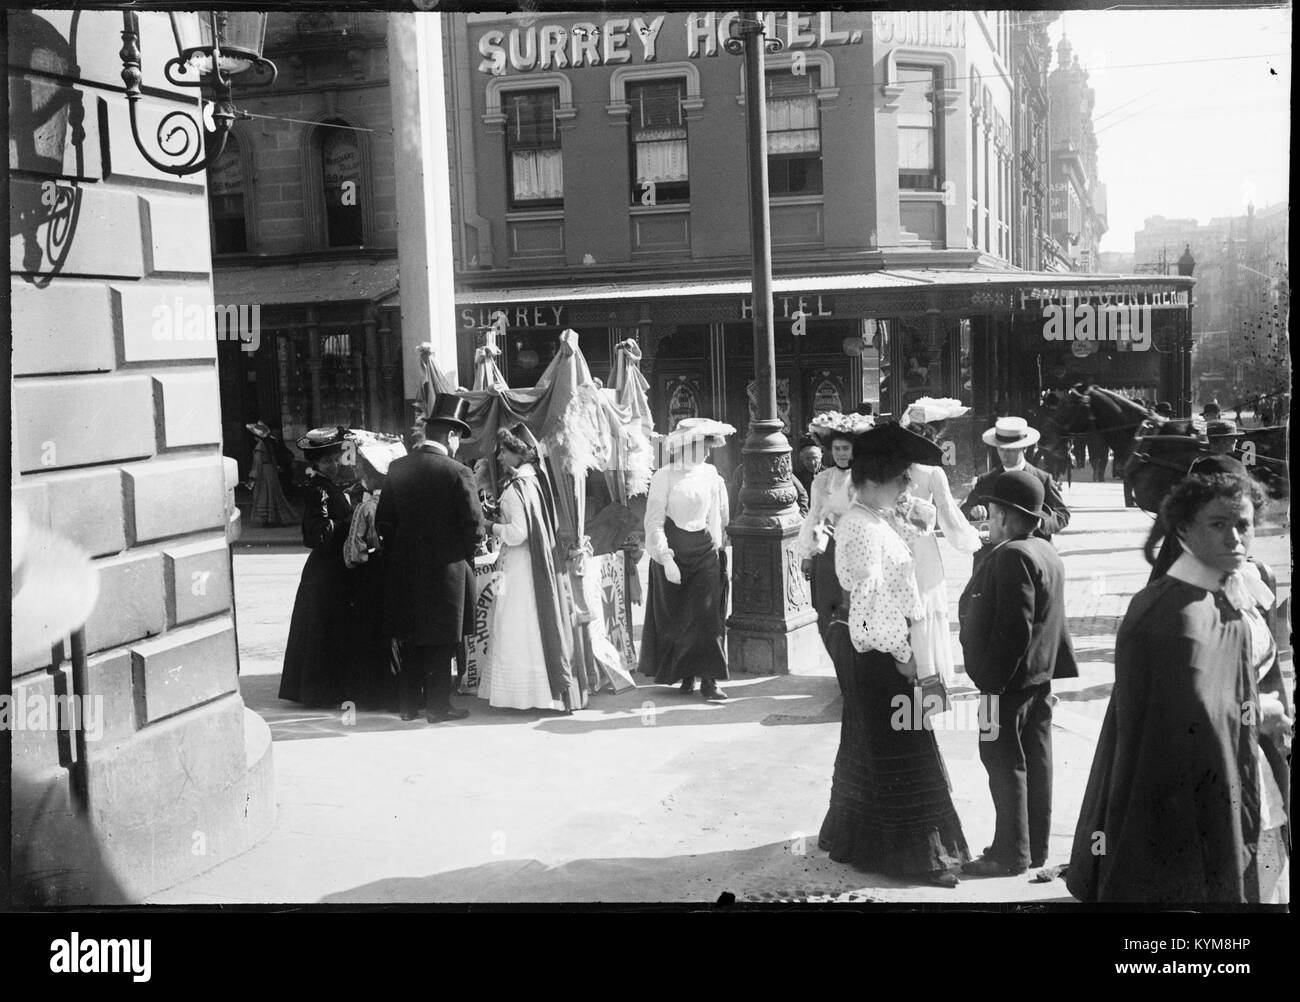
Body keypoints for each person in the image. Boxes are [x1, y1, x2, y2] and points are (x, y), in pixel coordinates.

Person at [1067, 471, 1292, 903]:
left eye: (1243, 525)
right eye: (1218, 524)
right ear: (1184, 529)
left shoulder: (1223, 600)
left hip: (1244, 783)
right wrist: (1258, 712)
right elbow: (1182, 723)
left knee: (1266, 877)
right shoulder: (1173, 612)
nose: (1235, 539)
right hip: (1186, 809)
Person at [818, 423, 971, 888]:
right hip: (882, 658)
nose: (908, 485)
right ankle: (913, 856)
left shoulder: (874, 519)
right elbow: (868, 604)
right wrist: (904, 655)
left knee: (876, 748)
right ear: (878, 476)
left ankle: (866, 840)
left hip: (885, 654)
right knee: (902, 751)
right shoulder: (861, 526)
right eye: (902, 477)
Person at [958, 472, 1078, 876]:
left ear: (1007, 517)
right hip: (1038, 681)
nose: (988, 523)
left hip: (1004, 686)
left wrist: (990, 684)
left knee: (1001, 762)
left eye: (991, 515)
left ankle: (1008, 854)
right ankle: (1033, 848)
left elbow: (1014, 627)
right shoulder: (1044, 551)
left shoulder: (1011, 556)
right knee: (1036, 762)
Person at [377, 395, 485, 723]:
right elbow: (475, 526)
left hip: (405, 570)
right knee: (442, 641)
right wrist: (465, 553)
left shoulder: (398, 467)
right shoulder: (458, 471)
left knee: (410, 637)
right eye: (458, 439)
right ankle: (439, 707)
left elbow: (384, 521)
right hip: (447, 570)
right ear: (451, 436)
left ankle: (409, 705)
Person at [478, 425, 582, 712]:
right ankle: (539, 689)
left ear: (517, 453)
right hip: (534, 565)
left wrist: (491, 526)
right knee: (530, 623)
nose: (499, 458)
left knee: (515, 624)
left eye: (503, 452)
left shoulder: (516, 489)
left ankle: (521, 694)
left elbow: (518, 534)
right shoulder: (536, 481)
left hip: (519, 566)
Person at [640, 417, 735, 701]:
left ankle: (709, 680)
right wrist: (666, 558)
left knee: (707, 617)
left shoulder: (710, 474)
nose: (707, 451)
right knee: (679, 616)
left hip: (705, 550)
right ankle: (686, 674)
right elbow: (654, 521)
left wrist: (717, 549)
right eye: (702, 445)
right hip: (673, 549)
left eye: (708, 445)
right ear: (686, 445)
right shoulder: (664, 476)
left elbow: (717, 515)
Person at [899, 398, 982, 688]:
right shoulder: (932, 473)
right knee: (924, 610)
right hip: (921, 548)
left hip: (899, 545)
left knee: (903, 609)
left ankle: (906, 681)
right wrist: (971, 540)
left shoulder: (896, 471)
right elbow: (949, 516)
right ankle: (929, 683)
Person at [279, 427, 361, 708]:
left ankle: (328, 687)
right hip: (326, 572)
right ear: (318, 463)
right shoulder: (319, 491)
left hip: (332, 570)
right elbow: (317, 535)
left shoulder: (329, 486)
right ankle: (321, 691)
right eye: (330, 460)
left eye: (336, 458)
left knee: (329, 628)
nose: (336, 463)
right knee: (324, 628)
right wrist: (349, 522)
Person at [797, 413, 874, 643]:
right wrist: (808, 553)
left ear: (854, 450)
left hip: (860, 549)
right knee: (827, 610)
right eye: (837, 449)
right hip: (830, 549)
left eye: (846, 448)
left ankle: (861, 655)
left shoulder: (866, 478)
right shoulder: (822, 479)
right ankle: (839, 659)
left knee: (859, 605)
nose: (841, 453)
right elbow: (816, 516)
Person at [961, 417, 1070, 570]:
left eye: (1011, 450)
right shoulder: (986, 481)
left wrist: (1041, 522)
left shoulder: (1042, 479)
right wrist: (972, 512)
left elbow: (1063, 515)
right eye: (1001, 449)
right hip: (992, 559)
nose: (1005, 455)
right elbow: (964, 511)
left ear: (1024, 448)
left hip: (1033, 556)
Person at [343, 447, 401, 713]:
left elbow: (352, 553)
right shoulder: (400, 502)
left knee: (369, 632)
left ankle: (371, 694)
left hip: (370, 576)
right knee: (391, 632)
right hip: (394, 573)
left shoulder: (365, 508)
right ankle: (395, 690)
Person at [245, 421, 297, 527]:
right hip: (270, 471)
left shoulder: (259, 446)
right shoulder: (267, 445)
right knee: (273, 494)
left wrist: (252, 476)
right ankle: (273, 518)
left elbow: (257, 462)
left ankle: (268, 519)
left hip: (264, 472)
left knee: (265, 495)